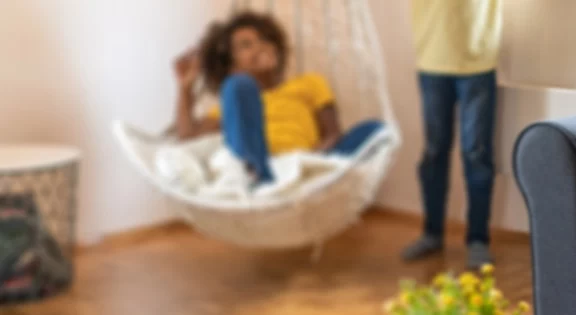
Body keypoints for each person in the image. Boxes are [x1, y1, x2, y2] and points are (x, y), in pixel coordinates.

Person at [169, 11, 384, 184]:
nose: (260, 46)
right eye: (246, 45)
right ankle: (255, 174)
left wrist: (311, 159)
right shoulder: (233, 100)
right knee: (239, 87)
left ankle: (296, 179)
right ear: (232, 66)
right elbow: (187, 139)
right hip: (262, 165)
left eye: (264, 40)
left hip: (307, 162)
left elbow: (333, 134)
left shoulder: (310, 83)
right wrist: (184, 88)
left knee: (377, 130)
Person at [399, 0, 503, 269]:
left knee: (477, 154)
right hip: (432, 62)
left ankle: (478, 240)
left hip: (478, 63)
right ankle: (432, 233)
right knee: (434, 153)